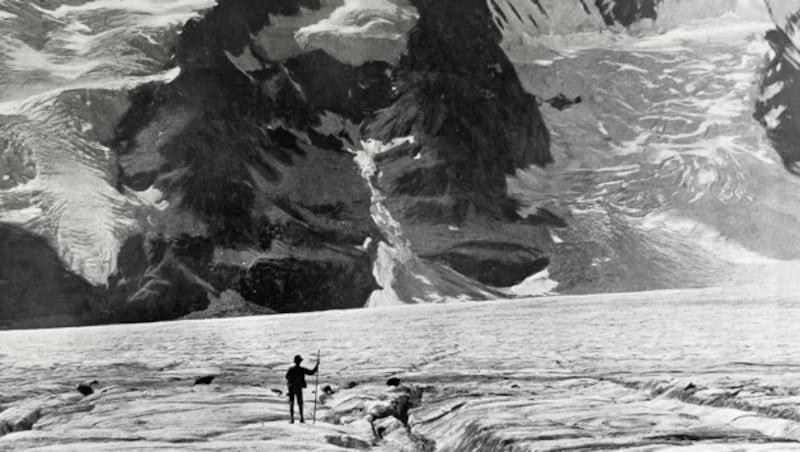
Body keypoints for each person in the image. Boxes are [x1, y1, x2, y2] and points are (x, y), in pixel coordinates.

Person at [285, 354, 318, 423]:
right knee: (300, 402)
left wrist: (292, 381)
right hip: (298, 387)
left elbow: (287, 377)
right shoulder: (301, 369)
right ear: (300, 362)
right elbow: (311, 372)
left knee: (291, 402)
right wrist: (317, 366)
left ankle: (292, 419)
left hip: (291, 387)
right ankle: (301, 418)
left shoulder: (291, 369)